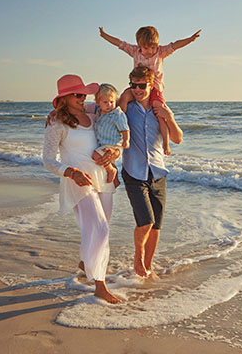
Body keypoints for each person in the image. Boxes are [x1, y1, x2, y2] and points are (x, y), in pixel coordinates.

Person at [42, 74, 121, 304]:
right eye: (77, 94)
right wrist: (71, 173)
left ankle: (86, 262)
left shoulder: (94, 113)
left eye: (83, 93)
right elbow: (48, 160)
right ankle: (100, 285)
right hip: (79, 181)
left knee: (99, 230)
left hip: (103, 178)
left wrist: (114, 158)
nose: (82, 97)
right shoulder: (56, 123)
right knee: (100, 229)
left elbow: (109, 139)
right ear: (64, 98)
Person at [120, 65, 183, 280]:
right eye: (133, 85)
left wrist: (169, 117)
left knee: (156, 226)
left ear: (151, 85)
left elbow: (178, 138)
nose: (137, 89)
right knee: (145, 221)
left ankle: (148, 267)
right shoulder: (126, 108)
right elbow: (103, 108)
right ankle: (138, 257)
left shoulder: (161, 108)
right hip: (133, 172)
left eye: (141, 85)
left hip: (157, 172)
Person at [99, 25, 200, 156]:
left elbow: (175, 45)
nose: (151, 51)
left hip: (156, 89)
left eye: (153, 47)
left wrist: (191, 39)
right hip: (133, 169)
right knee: (124, 96)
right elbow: (119, 43)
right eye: (146, 48)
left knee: (159, 112)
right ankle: (120, 125)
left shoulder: (160, 52)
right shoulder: (135, 52)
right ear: (139, 45)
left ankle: (165, 143)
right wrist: (104, 35)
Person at [91, 84, 130, 186]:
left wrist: (126, 141)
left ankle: (111, 171)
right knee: (108, 161)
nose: (109, 105)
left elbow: (125, 129)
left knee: (95, 155)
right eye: (105, 102)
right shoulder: (98, 112)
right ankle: (115, 180)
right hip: (103, 143)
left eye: (112, 102)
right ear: (98, 103)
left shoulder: (117, 114)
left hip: (112, 144)